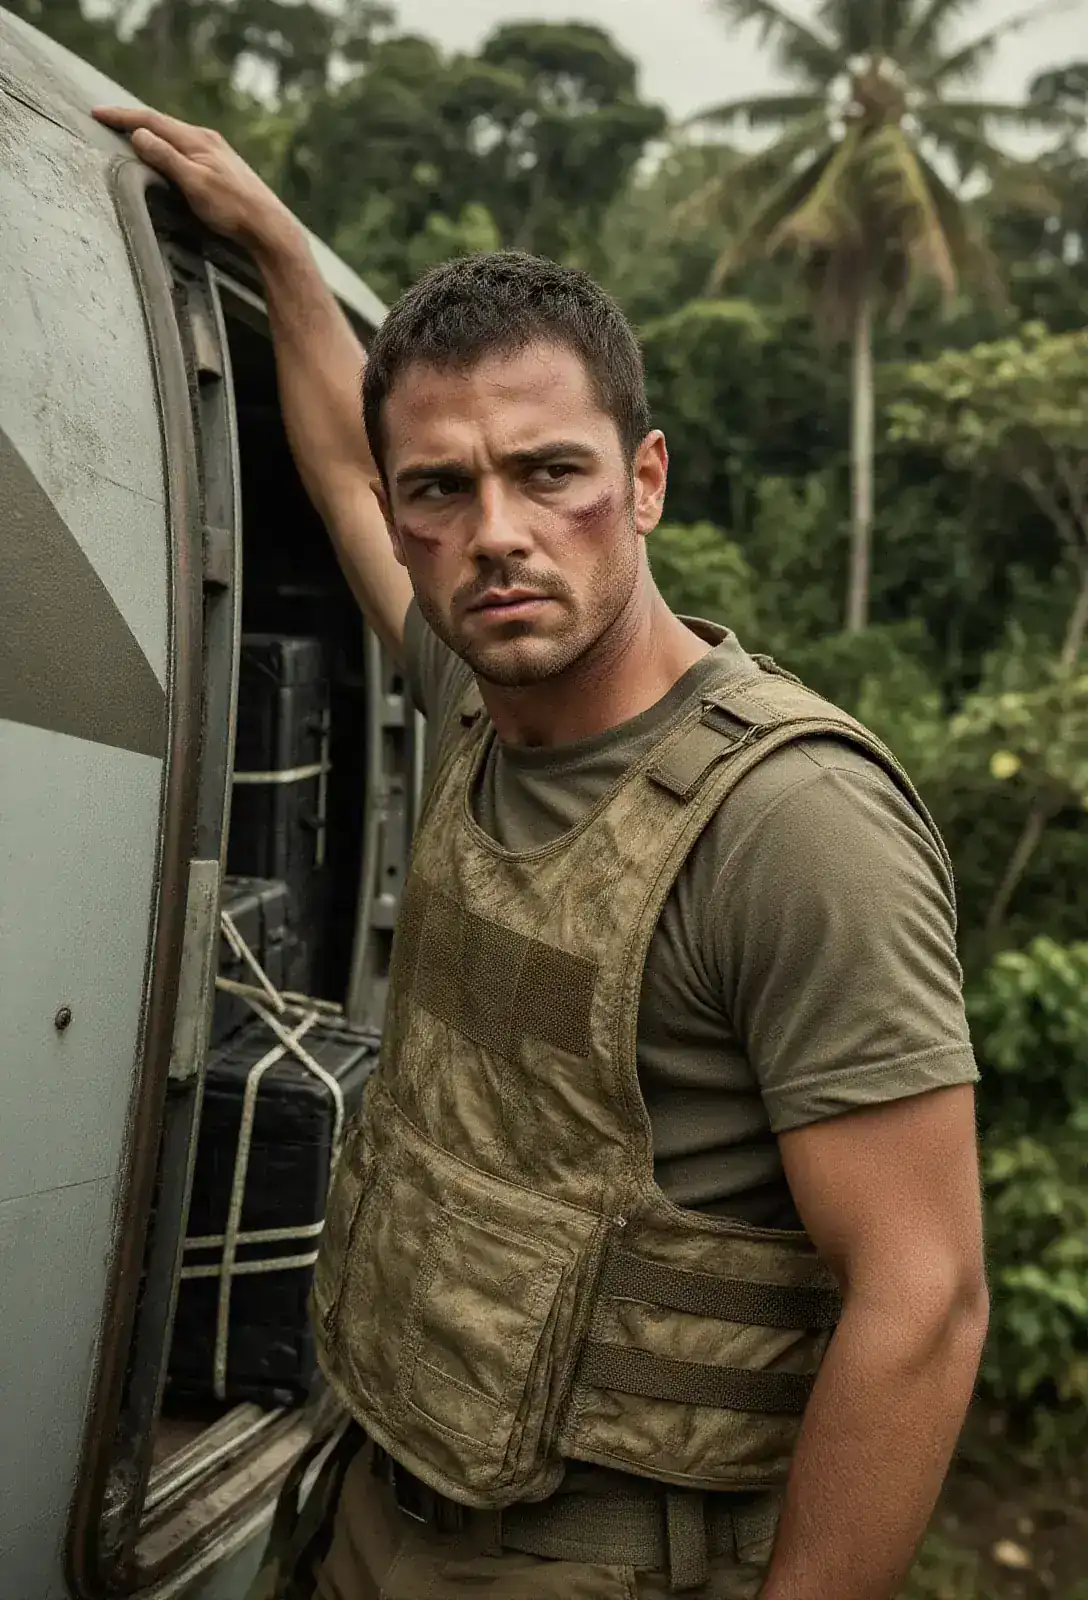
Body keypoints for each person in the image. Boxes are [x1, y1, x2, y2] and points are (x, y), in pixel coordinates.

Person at [94, 105, 990, 1600]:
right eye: (442, 489)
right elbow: (340, 466)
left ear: (644, 482)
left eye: (551, 473)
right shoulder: (475, 695)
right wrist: (285, 260)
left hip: (605, 1560)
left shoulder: (793, 825)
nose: (497, 531)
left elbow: (927, 1300)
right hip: (373, 1495)